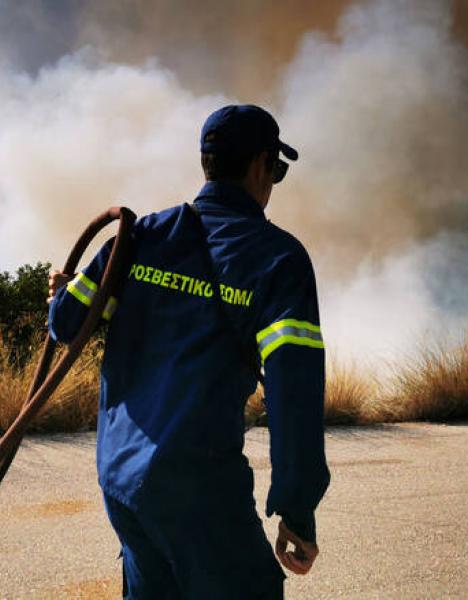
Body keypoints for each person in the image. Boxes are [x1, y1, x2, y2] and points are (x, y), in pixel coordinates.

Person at [47, 104, 330, 599]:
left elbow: (65, 324)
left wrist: (61, 293)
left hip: (122, 479)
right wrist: (297, 506)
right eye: (277, 171)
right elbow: (294, 392)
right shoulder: (278, 258)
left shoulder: (141, 239)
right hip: (199, 487)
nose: (274, 181)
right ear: (262, 165)